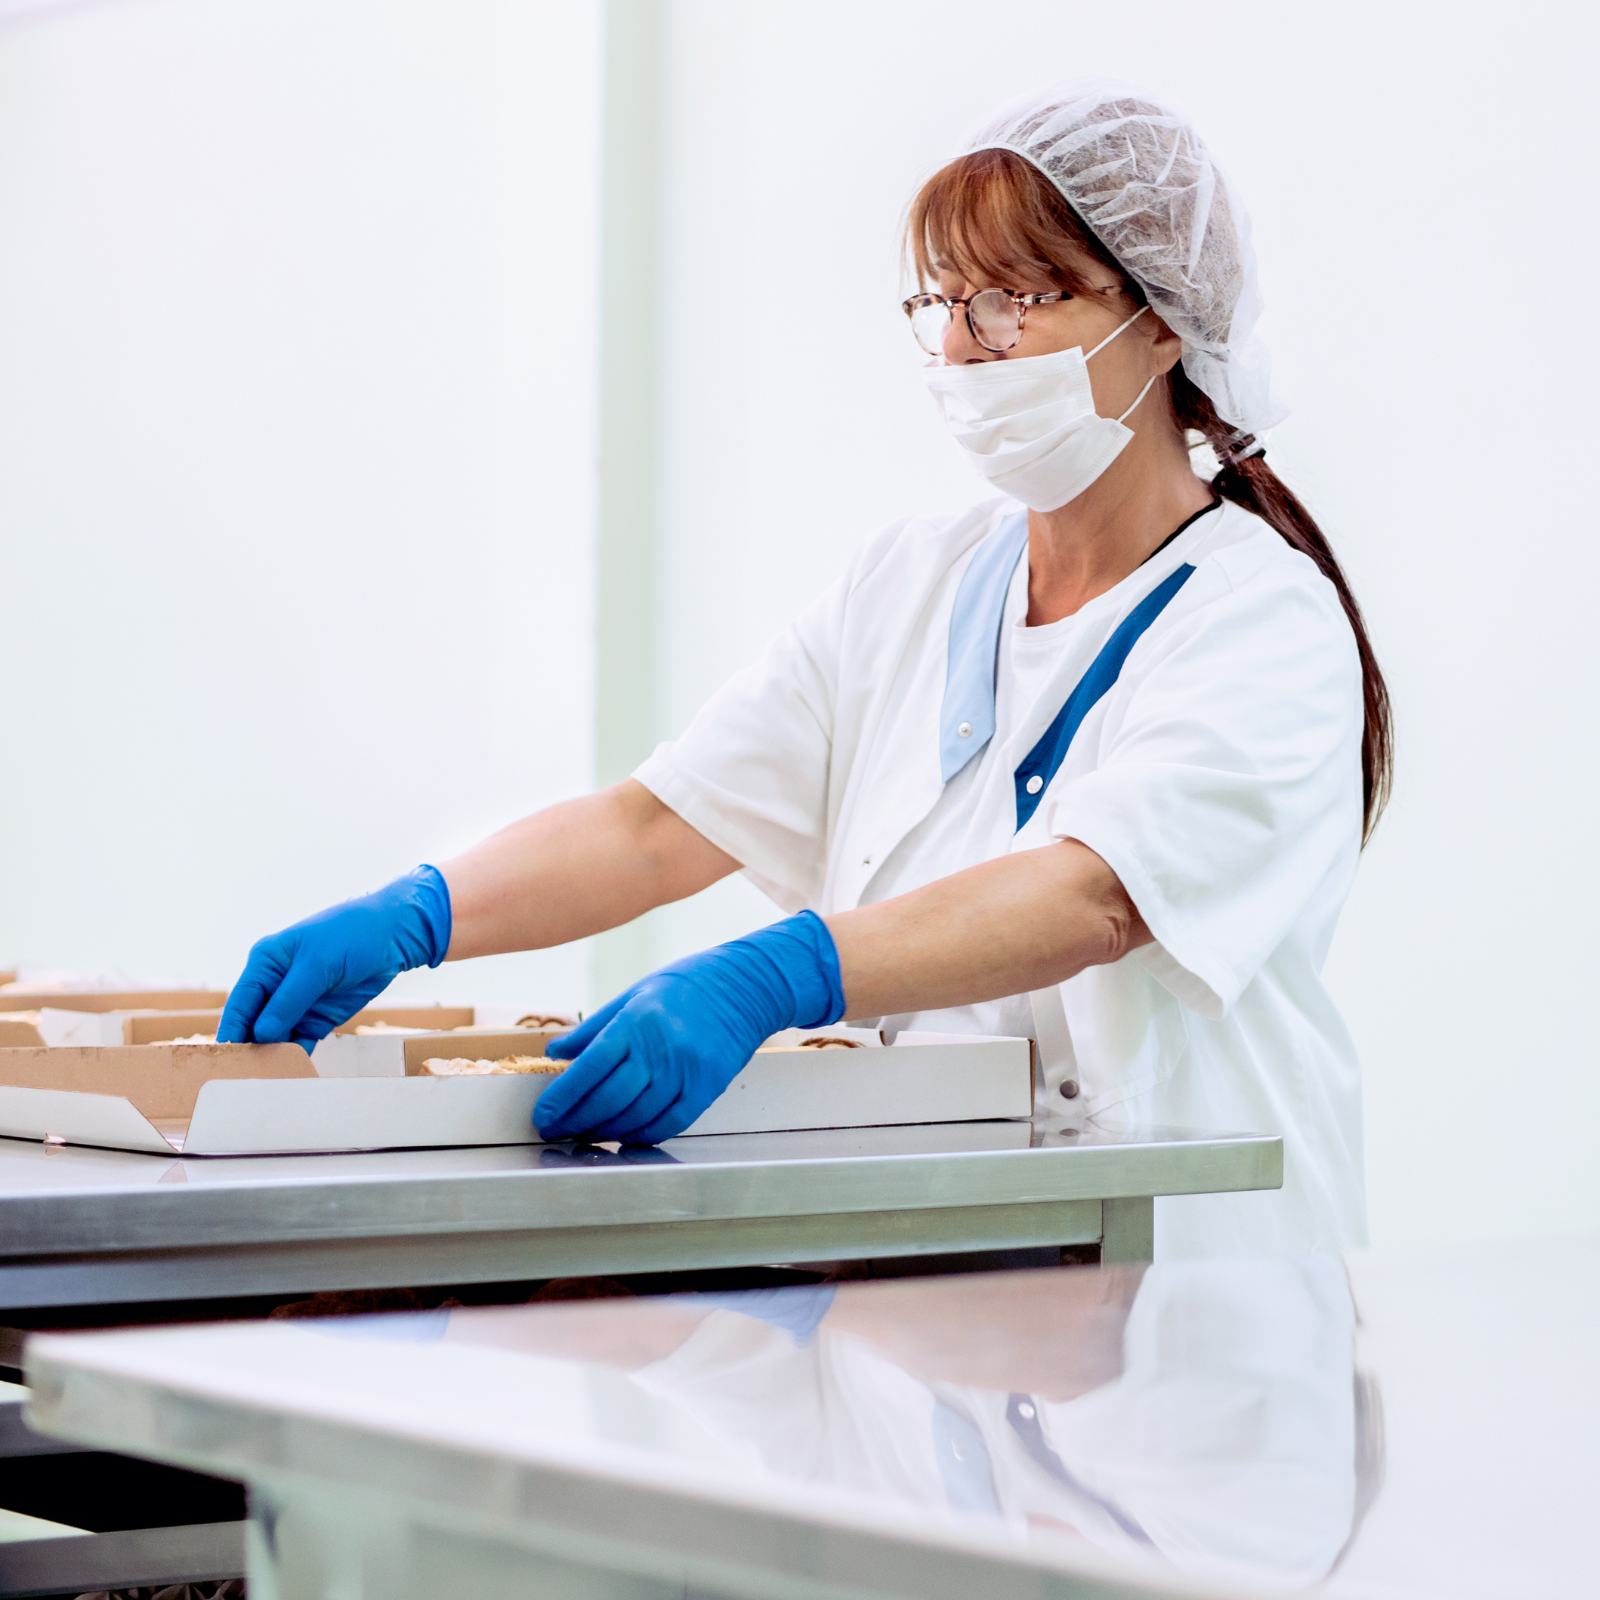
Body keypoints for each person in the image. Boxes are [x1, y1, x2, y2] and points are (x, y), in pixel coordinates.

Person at [219, 80, 1392, 1257]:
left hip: (1195, 1287)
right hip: (943, 1268)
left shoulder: (1260, 623)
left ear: (1163, 317)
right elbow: (656, 828)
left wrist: (782, 972)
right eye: (941, 302)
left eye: (1010, 301)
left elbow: (1095, 896)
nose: (959, 347)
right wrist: (417, 914)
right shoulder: (913, 582)